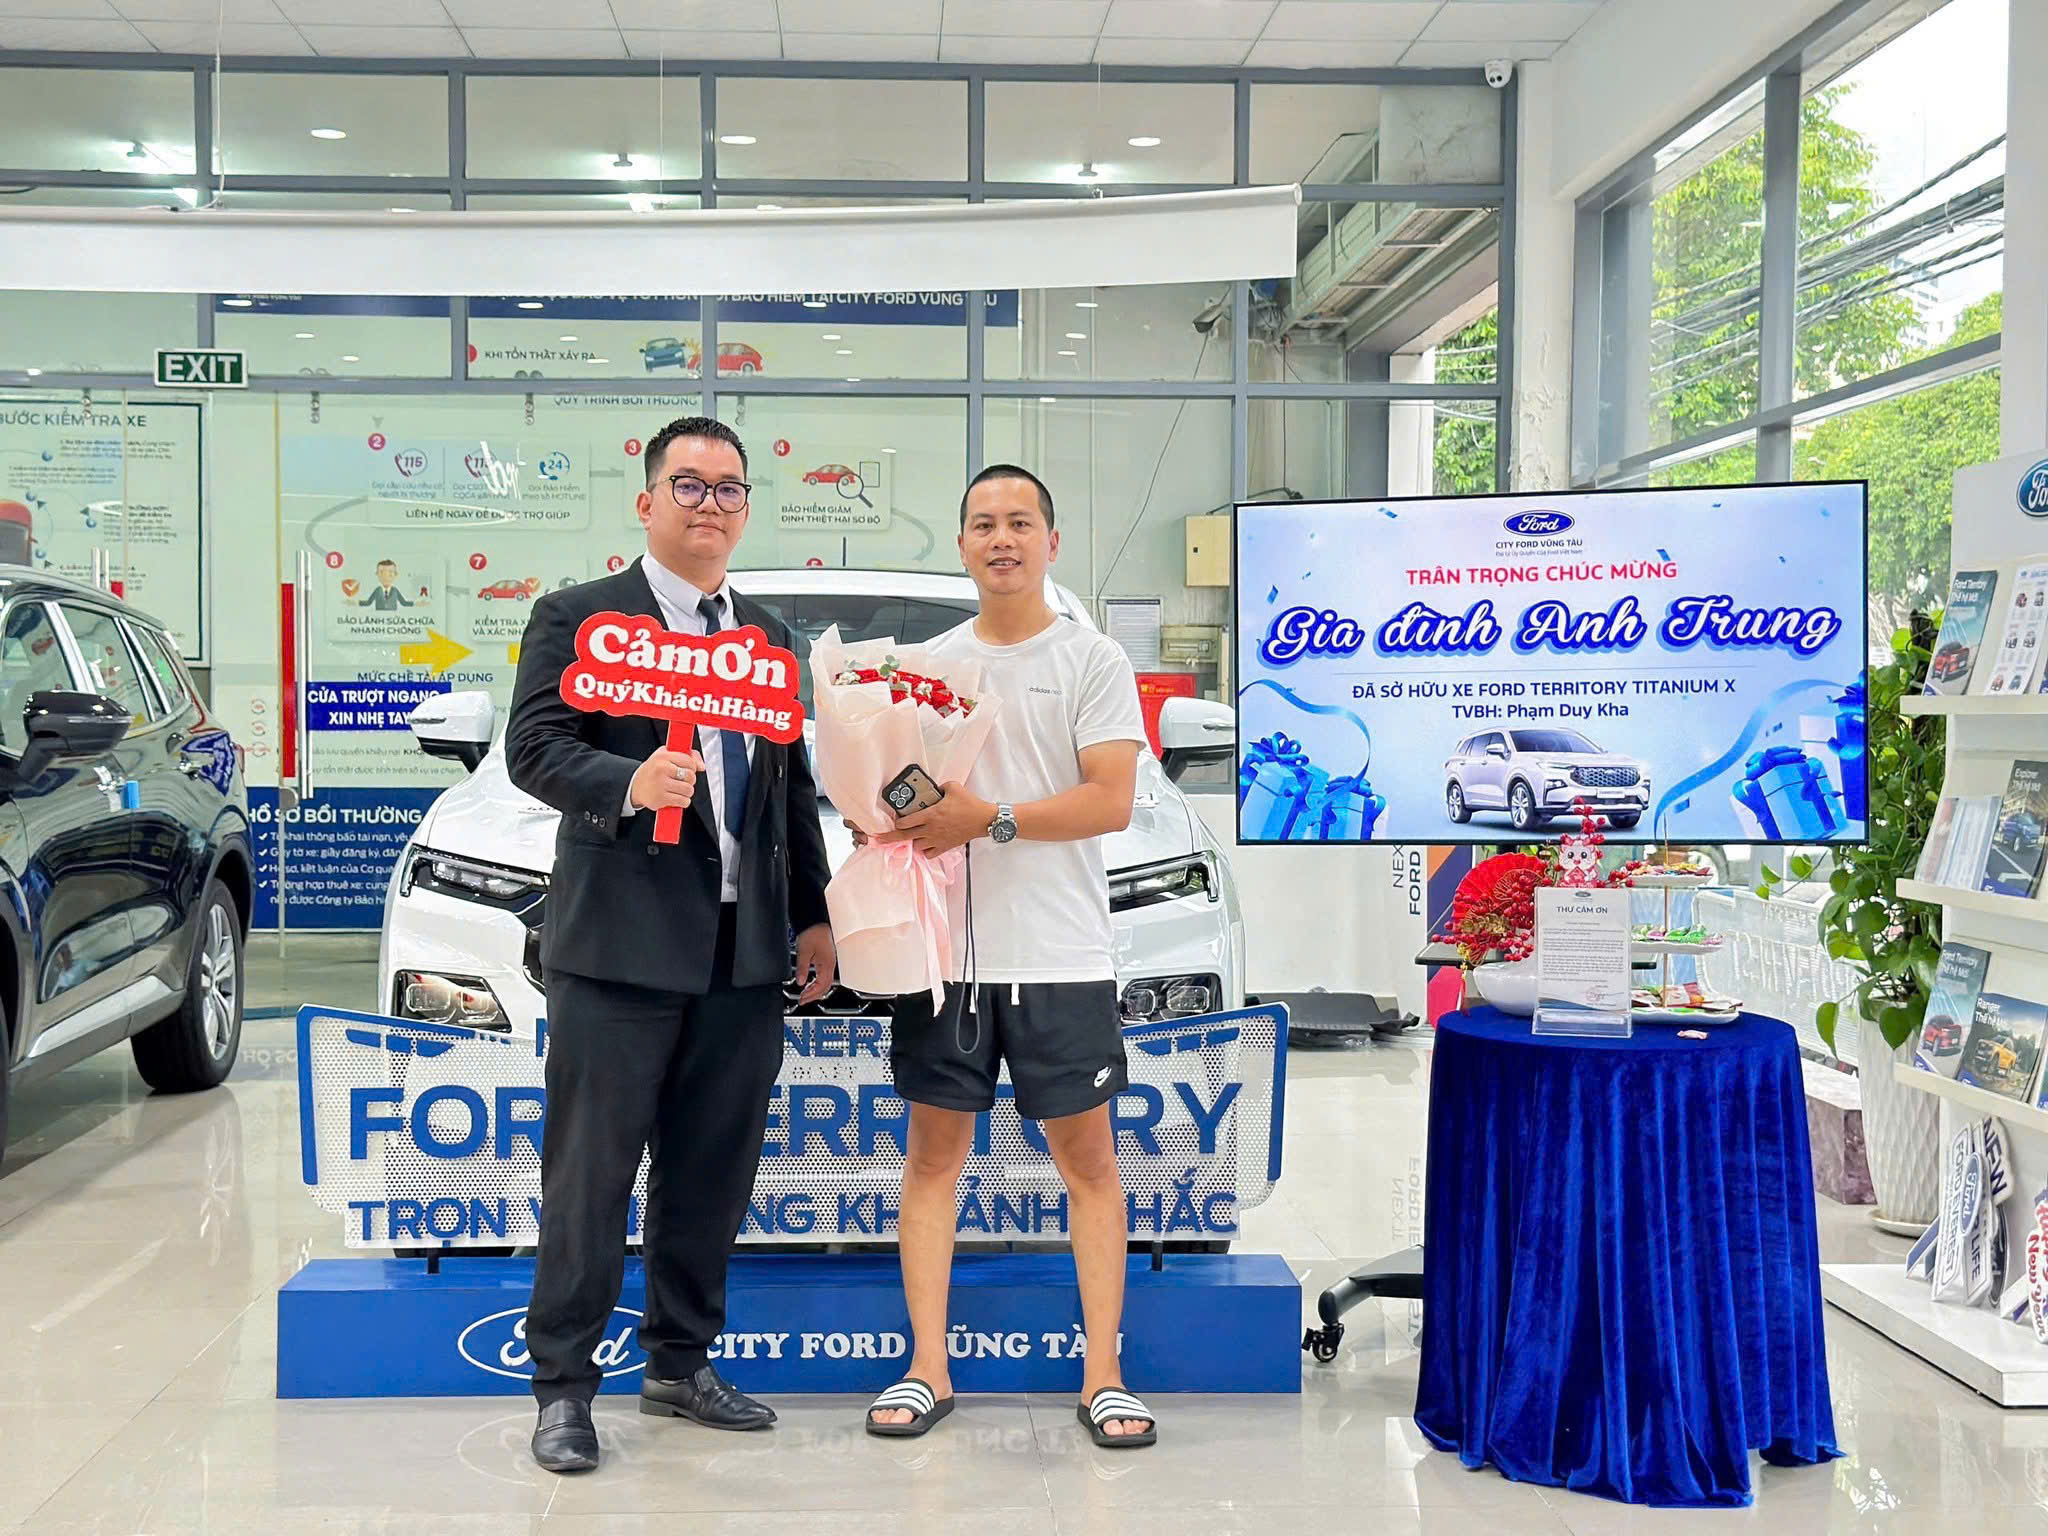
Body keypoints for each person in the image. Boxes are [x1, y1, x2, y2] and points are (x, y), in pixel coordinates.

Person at [505, 415, 836, 1474]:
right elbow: (533, 748)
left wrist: (813, 911)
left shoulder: (769, 640)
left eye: (728, 488)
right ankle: (564, 1388)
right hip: (618, 951)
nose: (709, 504)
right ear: (647, 501)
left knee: (709, 1176)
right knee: (589, 1180)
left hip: (743, 955)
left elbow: (788, 791)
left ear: (745, 511)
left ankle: (680, 1363)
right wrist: (626, 781)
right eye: (688, 485)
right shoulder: (579, 618)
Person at [862, 464, 1156, 1449]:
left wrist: (985, 819)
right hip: (943, 957)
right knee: (931, 1161)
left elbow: (1109, 800)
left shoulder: (1091, 659)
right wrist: (882, 816)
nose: (1002, 539)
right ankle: (928, 1368)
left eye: (1020, 522)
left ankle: (1104, 1376)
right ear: (961, 545)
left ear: (1050, 543)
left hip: (1059, 956)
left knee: (1089, 1164)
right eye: (984, 523)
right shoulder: (928, 667)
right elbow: (898, 791)